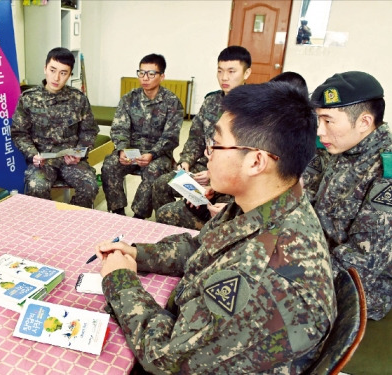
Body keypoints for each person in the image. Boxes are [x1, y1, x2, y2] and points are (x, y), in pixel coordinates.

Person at [94, 82, 336, 373]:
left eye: (217, 144)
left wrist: (120, 280)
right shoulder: (265, 201)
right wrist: (137, 253)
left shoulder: (260, 276)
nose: (207, 153)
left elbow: (164, 357)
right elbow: (203, 247)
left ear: (257, 161)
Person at [307, 71, 391, 320]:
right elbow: (303, 198)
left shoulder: (385, 172)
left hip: (354, 292)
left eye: (328, 121)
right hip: (314, 258)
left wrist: (293, 269)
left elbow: (361, 262)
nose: (320, 131)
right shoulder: (338, 147)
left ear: (364, 122)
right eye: (318, 120)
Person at [152, 46, 251, 229]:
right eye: (220, 71)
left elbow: (249, 157)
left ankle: (202, 227)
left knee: (182, 209)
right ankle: (172, 231)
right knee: (160, 185)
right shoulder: (211, 102)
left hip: (232, 177)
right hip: (201, 168)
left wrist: (214, 174)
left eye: (231, 71)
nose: (224, 78)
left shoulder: (254, 109)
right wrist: (186, 162)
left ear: (247, 73)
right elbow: (196, 137)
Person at [11, 47, 99, 208]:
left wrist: (79, 152)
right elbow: (19, 133)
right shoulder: (28, 99)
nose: (56, 77)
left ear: (70, 74)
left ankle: (71, 222)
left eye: (63, 73)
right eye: (53, 70)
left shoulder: (78, 99)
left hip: (72, 160)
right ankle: (48, 226)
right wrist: (33, 155)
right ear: (45, 69)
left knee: (90, 186)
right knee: (36, 187)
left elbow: (89, 131)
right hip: (42, 161)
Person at [102, 53, 183, 219]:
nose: (145, 78)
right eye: (141, 73)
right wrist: (122, 149)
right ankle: (117, 212)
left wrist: (152, 154)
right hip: (132, 151)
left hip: (158, 154)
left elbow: (171, 136)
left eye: (151, 74)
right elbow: (119, 128)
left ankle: (139, 216)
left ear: (162, 76)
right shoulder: (129, 98)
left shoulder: (172, 102)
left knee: (154, 170)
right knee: (109, 164)